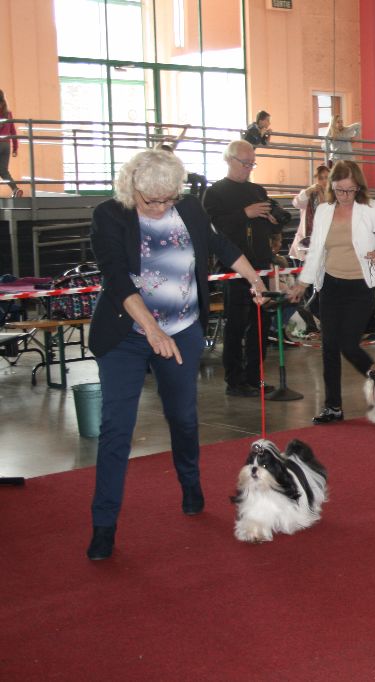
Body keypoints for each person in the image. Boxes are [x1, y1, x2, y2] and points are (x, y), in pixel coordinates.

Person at [85, 149, 267, 560]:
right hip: (127, 336)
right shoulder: (109, 215)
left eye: (168, 198)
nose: (162, 206)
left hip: (182, 331)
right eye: (153, 200)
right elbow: (116, 279)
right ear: (132, 189)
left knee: (183, 418)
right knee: (116, 429)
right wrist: (151, 330)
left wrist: (254, 277)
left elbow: (218, 242)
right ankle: (103, 525)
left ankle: (190, 484)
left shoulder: (187, 208)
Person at [286, 161, 375, 424]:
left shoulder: (371, 209)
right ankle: (333, 407)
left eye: (349, 190)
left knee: (348, 344)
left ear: (358, 187)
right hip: (331, 285)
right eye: (338, 190)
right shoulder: (324, 211)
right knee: (329, 347)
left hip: (361, 286)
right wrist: (303, 283)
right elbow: (315, 253)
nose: (344, 196)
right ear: (331, 187)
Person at [203, 140, 286, 397]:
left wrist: (275, 219)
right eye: (245, 163)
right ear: (229, 160)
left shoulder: (257, 190)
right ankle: (234, 380)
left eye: (252, 163)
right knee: (236, 325)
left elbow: (281, 217)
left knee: (260, 326)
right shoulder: (215, 193)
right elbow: (212, 229)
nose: (249, 168)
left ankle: (255, 376)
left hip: (261, 267)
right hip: (234, 270)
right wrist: (244, 214)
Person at [0, 89, 22, 197]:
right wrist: (15, 148)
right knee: (3, 171)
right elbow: (13, 131)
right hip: (6, 145)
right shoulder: (8, 113)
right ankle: (15, 189)